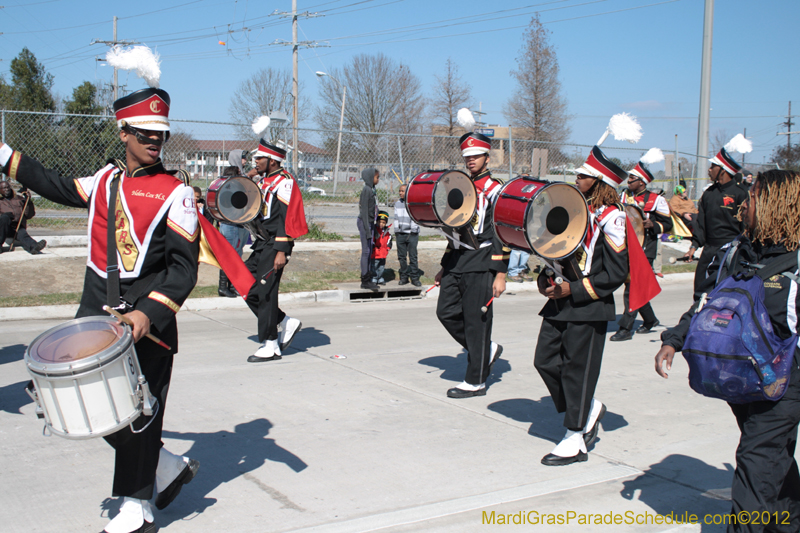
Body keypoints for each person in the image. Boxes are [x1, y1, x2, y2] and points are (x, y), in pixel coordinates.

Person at [1, 86, 200, 533]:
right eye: (145, 133)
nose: (155, 141)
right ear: (124, 131)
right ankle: (165, 467)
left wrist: (148, 313)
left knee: (140, 410)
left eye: (160, 134)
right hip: (95, 316)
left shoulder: (177, 194)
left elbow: (183, 272)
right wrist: (4, 154)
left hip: (148, 322)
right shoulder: (103, 181)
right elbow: (50, 182)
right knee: (86, 408)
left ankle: (137, 505)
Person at [656, 169, 800, 533]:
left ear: (775, 206)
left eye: (751, 200)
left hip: (786, 384)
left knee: (756, 462)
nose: (742, 205)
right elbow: (709, 302)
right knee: (773, 462)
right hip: (742, 379)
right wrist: (674, 339)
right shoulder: (738, 250)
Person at [534, 145, 629, 466]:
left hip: (589, 303)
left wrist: (571, 290)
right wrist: (545, 277)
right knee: (544, 361)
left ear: (600, 182)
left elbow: (615, 273)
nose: (577, 178)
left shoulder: (613, 218)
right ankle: (587, 408)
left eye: (584, 176)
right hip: (559, 301)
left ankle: (574, 438)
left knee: (577, 370)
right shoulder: (575, 210)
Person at [435, 131, 508, 399]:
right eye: (467, 156)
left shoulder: (496, 190)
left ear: (487, 158)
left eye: (476, 156)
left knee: (477, 321)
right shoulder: (459, 185)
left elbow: (502, 232)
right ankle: (485, 350)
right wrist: (444, 265)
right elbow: (454, 229)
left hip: (482, 259)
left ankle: (476, 381)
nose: (471, 160)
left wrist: (500, 273)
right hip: (457, 258)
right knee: (446, 312)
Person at [244, 138, 307, 362]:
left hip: (276, 243)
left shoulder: (285, 182)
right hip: (262, 242)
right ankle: (285, 321)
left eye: (259, 158)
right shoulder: (264, 180)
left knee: (267, 291)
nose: (256, 162)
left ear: (272, 161)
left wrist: (282, 249)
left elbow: (286, 218)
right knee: (243, 283)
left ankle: (270, 344)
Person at [611, 152, 673, 341]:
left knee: (632, 287)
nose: (628, 181)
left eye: (632, 178)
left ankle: (625, 328)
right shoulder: (623, 196)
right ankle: (650, 319)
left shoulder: (656, 200)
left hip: (646, 249)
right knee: (634, 285)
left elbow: (668, 225)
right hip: (627, 247)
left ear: (642, 182)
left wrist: (652, 225)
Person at [684, 136, 750, 299]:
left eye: (713, 166)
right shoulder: (709, 194)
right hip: (710, 249)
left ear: (723, 170)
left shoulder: (740, 193)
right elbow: (701, 223)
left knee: (724, 294)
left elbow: (746, 225)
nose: (709, 169)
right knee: (700, 292)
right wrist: (694, 245)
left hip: (731, 250)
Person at [216, 155, 251, 298]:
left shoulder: (224, 185)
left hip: (234, 225)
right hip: (233, 225)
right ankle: (224, 287)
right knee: (232, 257)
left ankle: (230, 286)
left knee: (234, 256)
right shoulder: (233, 187)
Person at [0, 180, 46, 254]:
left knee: (23, 235)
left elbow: (29, 215)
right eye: (4, 188)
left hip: (18, 227)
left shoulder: (18, 199)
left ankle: (34, 247)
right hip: (5, 228)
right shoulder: (0, 201)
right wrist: (5, 216)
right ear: (0, 190)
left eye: (8, 187)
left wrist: (28, 202)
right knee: (5, 217)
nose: (7, 189)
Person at [393, 183, 421, 286]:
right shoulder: (397, 204)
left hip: (412, 234)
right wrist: (397, 230)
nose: (400, 193)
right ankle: (404, 277)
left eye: (403, 191)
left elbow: (415, 217)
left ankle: (415, 278)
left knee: (413, 256)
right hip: (400, 234)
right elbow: (396, 217)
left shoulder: (413, 203)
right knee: (401, 256)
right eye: (399, 191)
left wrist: (413, 230)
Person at [358, 167, 380, 290]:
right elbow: (365, 211)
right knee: (366, 251)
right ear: (370, 178)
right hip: (364, 222)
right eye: (377, 177)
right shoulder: (367, 190)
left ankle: (368, 277)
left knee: (369, 251)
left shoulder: (372, 189)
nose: (378, 180)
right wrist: (367, 230)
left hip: (370, 223)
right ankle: (365, 280)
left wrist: (375, 228)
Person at [371, 211, 392, 285]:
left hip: (383, 253)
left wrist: (388, 248)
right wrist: (373, 248)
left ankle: (380, 278)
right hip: (376, 253)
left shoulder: (386, 232)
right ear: (377, 221)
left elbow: (389, 240)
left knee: (381, 267)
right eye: (380, 222)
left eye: (383, 222)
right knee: (374, 266)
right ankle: (374, 278)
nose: (381, 224)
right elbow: (372, 240)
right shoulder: (374, 231)